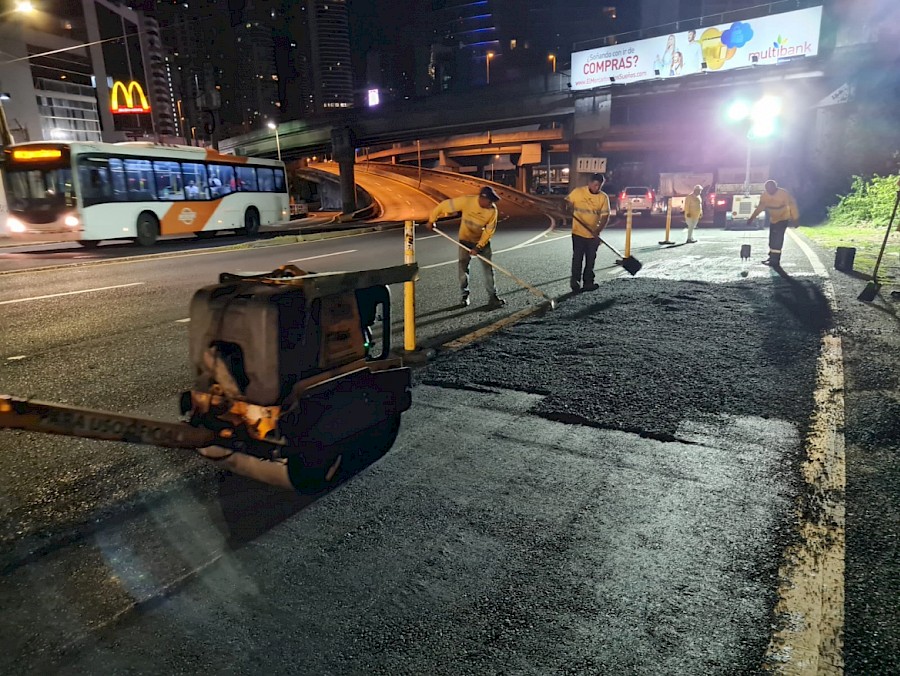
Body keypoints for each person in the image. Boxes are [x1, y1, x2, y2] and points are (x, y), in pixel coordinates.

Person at [426, 186, 505, 309]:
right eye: (489, 201)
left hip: (481, 242)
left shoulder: (492, 211)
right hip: (464, 240)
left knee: (488, 270)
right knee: (463, 269)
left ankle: (493, 297)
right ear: (482, 198)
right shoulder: (467, 201)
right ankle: (464, 296)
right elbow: (444, 205)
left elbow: (489, 232)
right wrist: (432, 220)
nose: (491, 204)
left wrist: (478, 247)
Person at [565, 173, 610, 292]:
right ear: (589, 183)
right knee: (577, 258)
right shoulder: (578, 192)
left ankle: (588, 282)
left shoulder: (603, 197)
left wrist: (597, 230)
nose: (597, 188)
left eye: (599, 185)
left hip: (593, 235)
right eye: (595, 185)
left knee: (591, 259)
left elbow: (605, 216)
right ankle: (575, 281)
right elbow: (567, 203)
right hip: (578, 232)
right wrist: (567, 207)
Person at [747, 180, 799, 267]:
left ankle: (775, 261)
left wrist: (795, 219)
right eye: (767, 189)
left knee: (778, 240)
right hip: (773, 219)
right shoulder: (764, 196)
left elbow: (792, 206)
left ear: (775, 187)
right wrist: (752, 218)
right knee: (772, 240)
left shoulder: (783, 194)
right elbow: (760, 207)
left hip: (783, 219)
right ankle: (771, 257)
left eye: (771, 188)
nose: (769, 190)